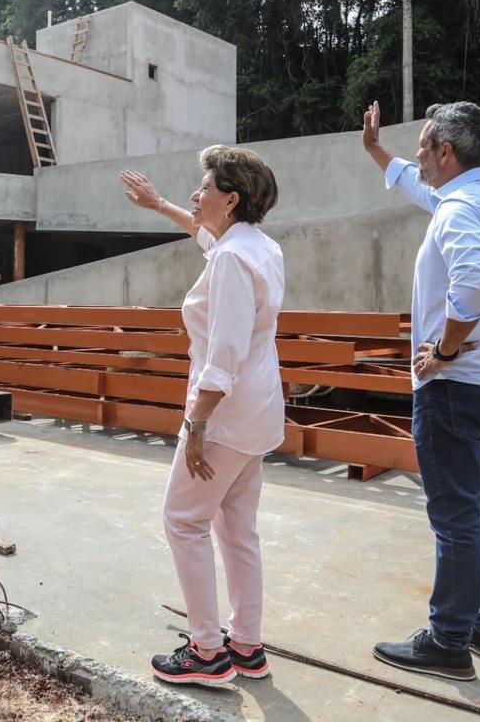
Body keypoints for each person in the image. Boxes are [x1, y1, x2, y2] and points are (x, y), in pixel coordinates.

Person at [361, 100, 480, 681]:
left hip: (453, 387)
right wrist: (378, 152)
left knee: (456, 518)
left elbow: (473, 283)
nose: (420, 156)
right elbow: (422, 189)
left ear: (446, 152)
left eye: (424, 147)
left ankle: (447, 641)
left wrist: (446, 350)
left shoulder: (457, 212)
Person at [121, 146, 283, 686]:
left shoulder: (235, 260)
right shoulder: (256, 247)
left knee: (183, 521)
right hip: (255, 415)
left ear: (230, 198)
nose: (197, 195)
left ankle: (208, 651)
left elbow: (225, 352)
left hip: (226, 416)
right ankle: (246, 646)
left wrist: (197, 422)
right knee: (238, 531)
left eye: (204, 187)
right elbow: (204, 236)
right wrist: (159, 203)